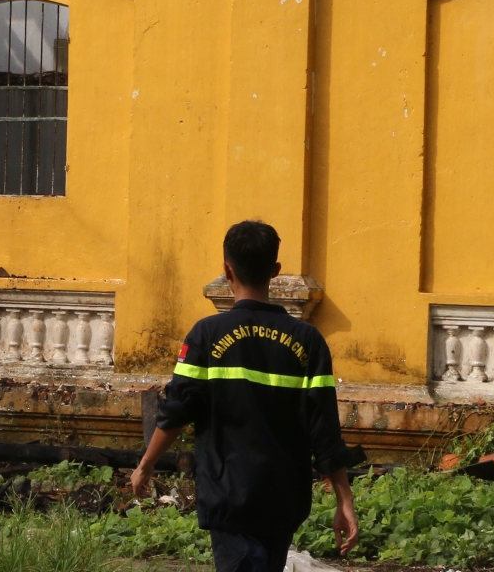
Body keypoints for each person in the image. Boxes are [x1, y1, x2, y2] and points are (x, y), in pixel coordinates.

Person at [131, 220, 359, 572]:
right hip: (284, 497)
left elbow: (176, 410)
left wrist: (145, 466)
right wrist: (345, 499)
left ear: (226, 270)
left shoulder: (207, 335)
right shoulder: (308, 341)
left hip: (228, 494)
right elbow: (324, 428)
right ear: (276, 271)